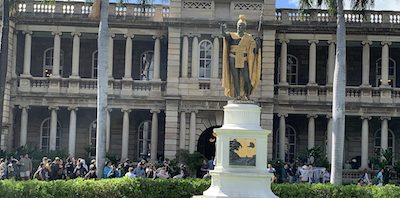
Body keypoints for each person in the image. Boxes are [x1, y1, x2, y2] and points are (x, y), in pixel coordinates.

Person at [221, 15, 261, 100]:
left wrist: (258, 44)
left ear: (244, 27)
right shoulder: (232, 35)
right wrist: (222, 28)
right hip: (233, 57)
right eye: (239, 26)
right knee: (235, 77)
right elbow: (224, 34)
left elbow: (254, 50)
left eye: (242, 26)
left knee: (246, 78)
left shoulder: (248, 38)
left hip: (244, 58)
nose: (240, 28)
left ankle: (247, 94)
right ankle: (238, 95)